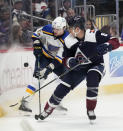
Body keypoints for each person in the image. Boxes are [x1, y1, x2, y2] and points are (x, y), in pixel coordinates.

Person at [38, 16, 120, 121]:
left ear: (77, 29)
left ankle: (90, 110)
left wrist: (108, 45)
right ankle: (47, 110)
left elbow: (115, 41)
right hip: (79, 68)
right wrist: (69, 62)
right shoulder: (68, 40)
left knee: (92, 78)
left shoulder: (93, 34)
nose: (68, 30)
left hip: (96, 64)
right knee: (63, 86)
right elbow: (64, 58)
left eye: (70, 28)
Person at [18, 16, 78, 113]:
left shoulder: (67, 39)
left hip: (57, 61)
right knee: (38, 79)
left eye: (57, 29)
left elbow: (59, 59)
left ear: (64, 28)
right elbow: (35, 34)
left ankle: (56, 102)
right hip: (44, 57)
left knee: (66, 80)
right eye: (54, 28)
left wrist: (48, 69)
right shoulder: (47, 28)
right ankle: (24, 102)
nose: (55, 31)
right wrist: (37, 43)